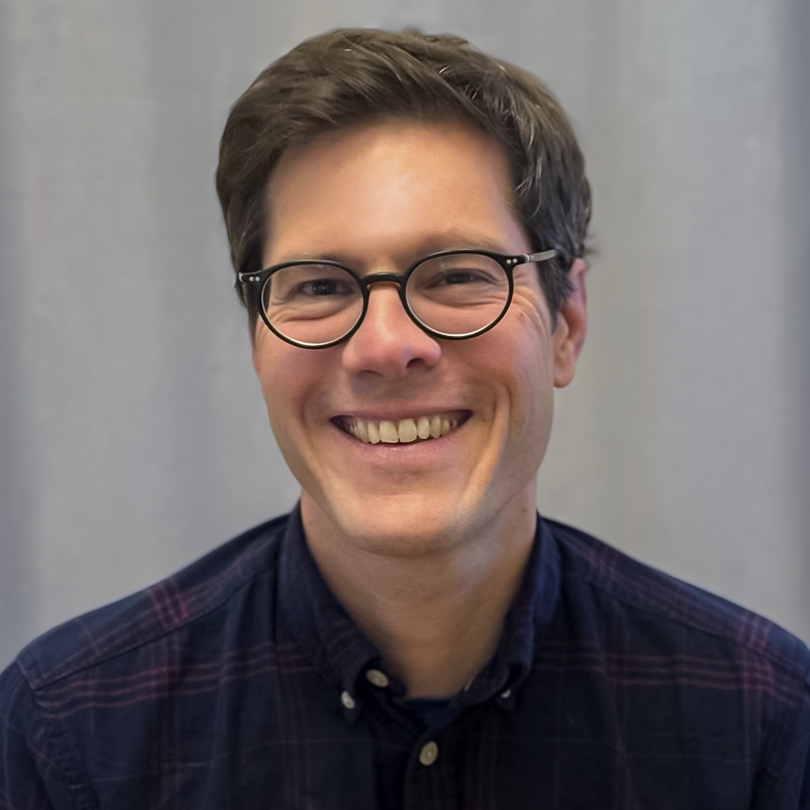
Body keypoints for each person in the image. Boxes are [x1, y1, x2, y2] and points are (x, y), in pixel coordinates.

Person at [1, 27, 808, 810]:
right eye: (319, 286)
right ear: (256, 339)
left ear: (566, 323)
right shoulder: (69, 736)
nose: (386, 347)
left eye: (457, 274)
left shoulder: (761, 724)